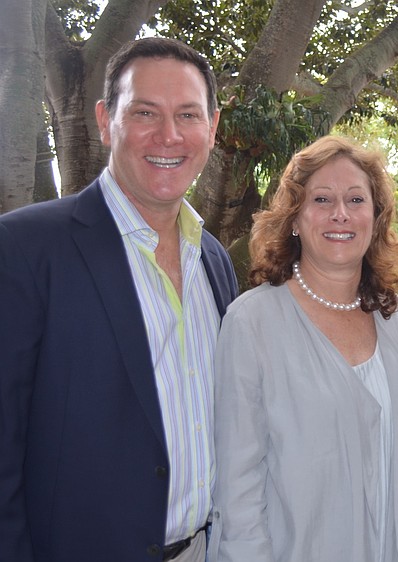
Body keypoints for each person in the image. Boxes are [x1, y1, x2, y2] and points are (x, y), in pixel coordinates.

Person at [0, 37, 238, 562]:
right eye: (145, 112)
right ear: (106, 120)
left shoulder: (215, 261)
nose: (169, 135)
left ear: (212, 126)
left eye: (188, 115)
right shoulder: (23, 249)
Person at [209, 135, 398, 562]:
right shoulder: (252, 322)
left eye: (355, 199)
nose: (341, 214)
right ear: (294, 217)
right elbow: (237, 488)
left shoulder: (397, 319)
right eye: (322, 199)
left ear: (376, 216)